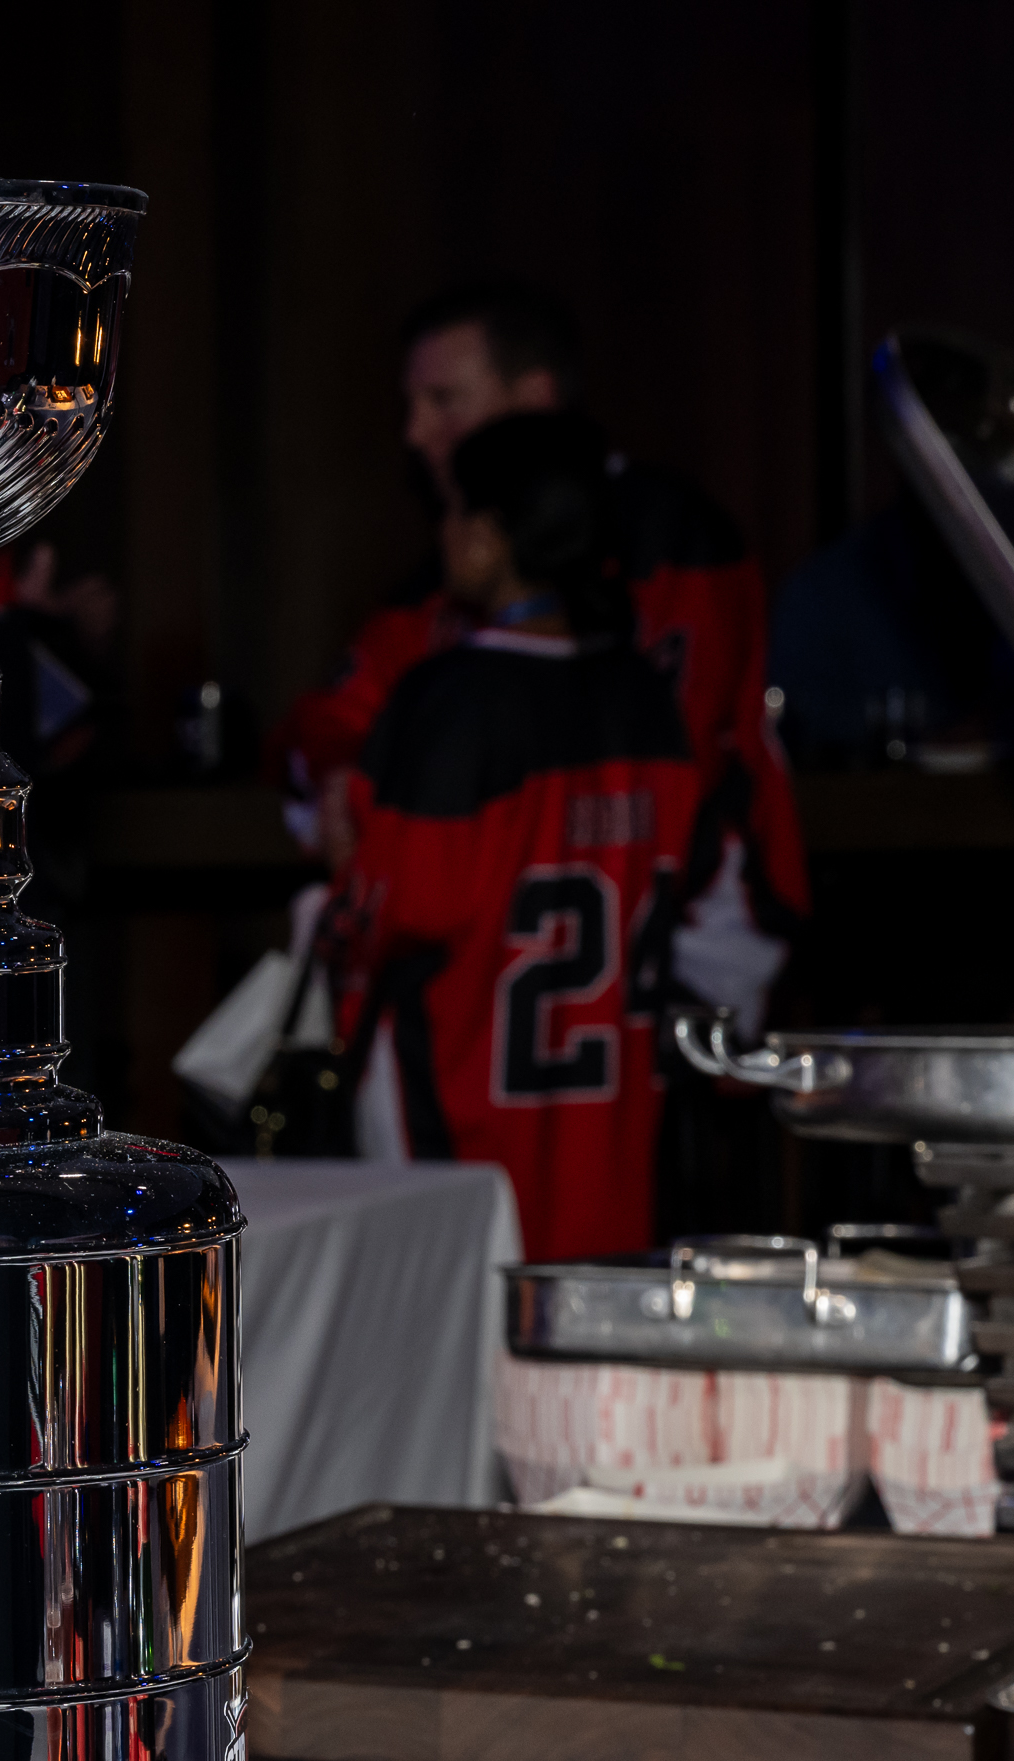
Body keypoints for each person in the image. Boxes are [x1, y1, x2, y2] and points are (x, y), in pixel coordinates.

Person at [277, 280, 802, 1040]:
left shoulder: (674, 546)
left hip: (675, 950)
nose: (417, 434)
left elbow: (680, 776)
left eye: (444, 400)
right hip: (504, 960)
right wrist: (345, 776)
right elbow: (330, 719)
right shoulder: (446, 583)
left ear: (536, 398)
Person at [322, 411, 708, 1264]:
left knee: (457, 1360)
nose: (445, 531)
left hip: (460, 1121)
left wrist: (346, 863)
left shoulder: (452, 701)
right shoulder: (649, 696)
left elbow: (401, 913)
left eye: (457, 510)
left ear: (492, 539)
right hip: (610, 1140)